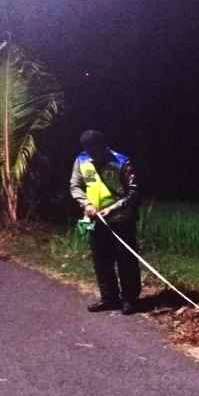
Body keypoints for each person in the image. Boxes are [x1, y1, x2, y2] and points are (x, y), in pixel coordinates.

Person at [70, 129, 141, 315]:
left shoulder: (121, 161)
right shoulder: (81, 161)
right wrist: (85, 204)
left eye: (96, 150)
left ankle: (130, 300)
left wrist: (113, 208)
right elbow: (75, 186)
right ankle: (109, 298)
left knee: (126, 260)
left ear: (103, 146)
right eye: (89, 150)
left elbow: (133, 192)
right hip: (96, 219)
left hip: (121, 219)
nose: (93, 154)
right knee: (101, 260)